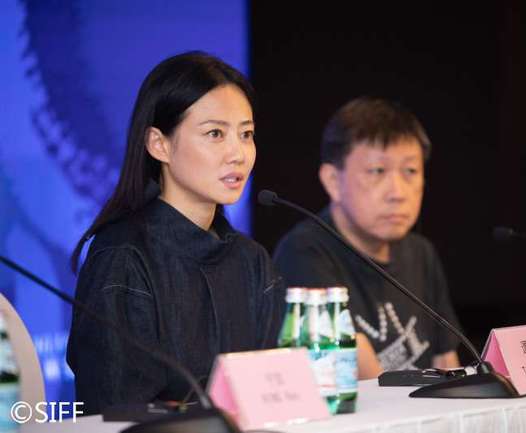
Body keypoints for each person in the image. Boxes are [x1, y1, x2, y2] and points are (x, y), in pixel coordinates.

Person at [66, 51, 284, 414]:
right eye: (215, 133)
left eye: (246, 134)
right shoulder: (124, 259)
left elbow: (277, 392)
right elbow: (114, 409)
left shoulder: (252, 260)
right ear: (159, 144)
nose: (238, 153)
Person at [273, 97, 461, 378]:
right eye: (377, 171)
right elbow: (362, 376)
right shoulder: (305, 253)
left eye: (410, 171)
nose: (397, 192)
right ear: (333, 181)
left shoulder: (421, 253)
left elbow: (448, 363)